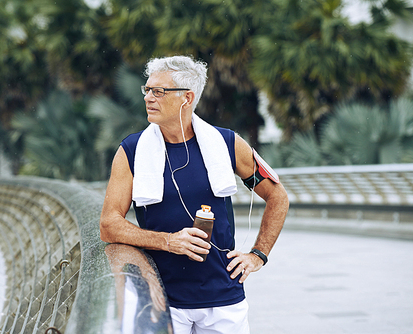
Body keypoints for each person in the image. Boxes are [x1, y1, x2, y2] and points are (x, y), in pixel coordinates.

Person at [100, 55, 289, 333]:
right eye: (147, 89)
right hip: (162, 300)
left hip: (224, 299)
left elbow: (278, 196)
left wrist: (258, 254)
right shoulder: (131, 151)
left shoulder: (227, 143)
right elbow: (108, 225)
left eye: (159, 91)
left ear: (187, 98)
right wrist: (168, 241)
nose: (148, 97)